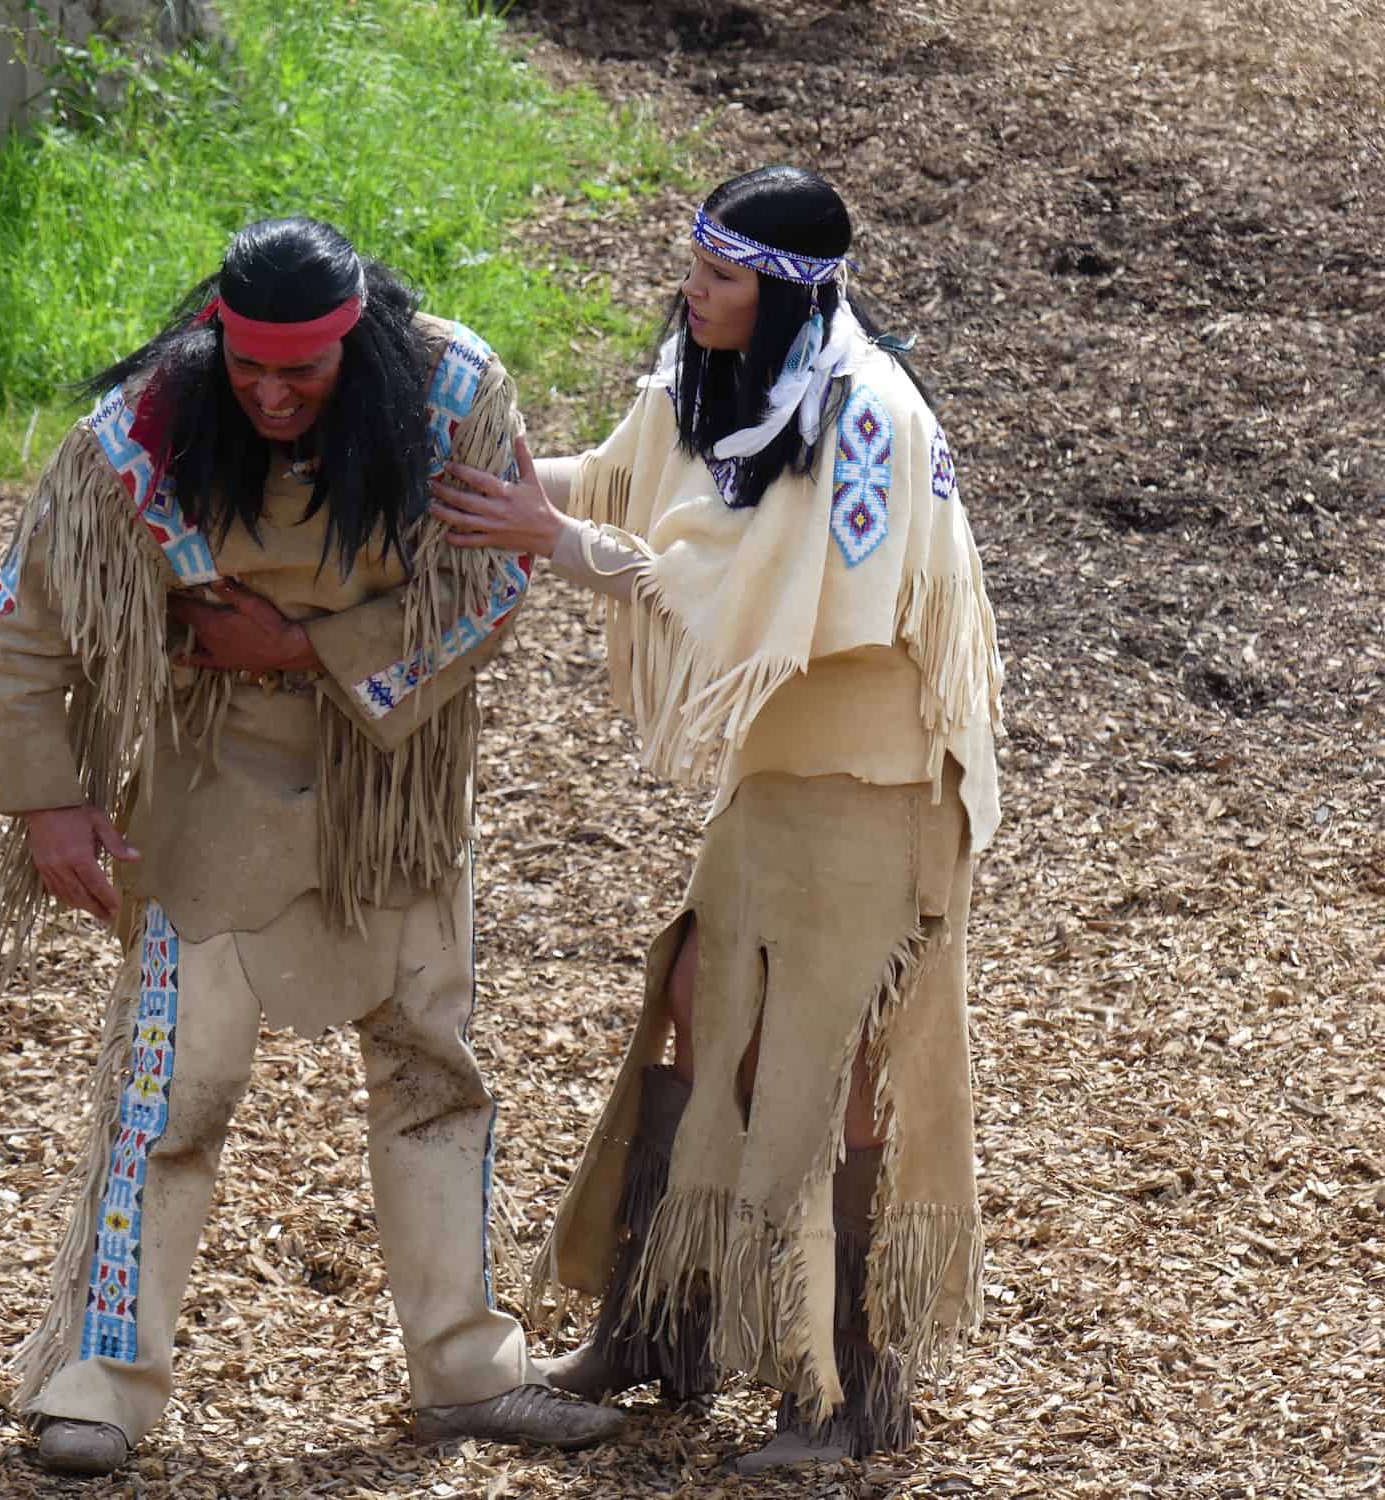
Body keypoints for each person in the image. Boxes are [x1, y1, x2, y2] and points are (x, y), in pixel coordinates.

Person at [0, 216, 624, 1476]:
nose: (267, 397)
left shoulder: (452, 390)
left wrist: (308, 644)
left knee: (432, 1069)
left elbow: (493, 581)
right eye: (245, 368)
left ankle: (467, 1372)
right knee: (172, 1085)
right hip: (215, 774)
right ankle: (97, 1382)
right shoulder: (144, 430)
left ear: (354, 348)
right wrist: (47, 799)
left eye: (301, 375)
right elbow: (25, 615)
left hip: (395, 778)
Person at [428, 166, 1002, 1473]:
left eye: (719, 277)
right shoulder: (719, 380)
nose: (692, 293)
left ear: (790, 293)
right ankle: (661, 1326)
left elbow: (775, 606)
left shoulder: (868, 420)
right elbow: (633, 490)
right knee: (696, 993)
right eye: (694, 266)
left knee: (842, 1061)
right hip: (782, 776)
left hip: (883, 781)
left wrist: (555, 539)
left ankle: (857, 1396)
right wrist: (509, 490)